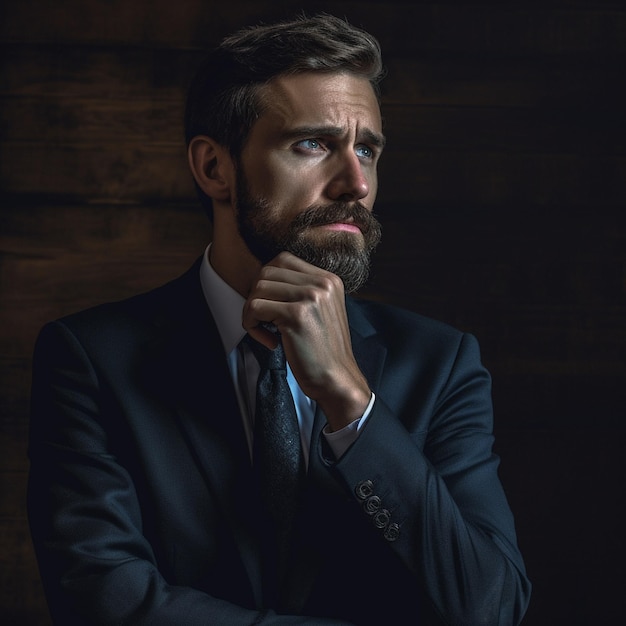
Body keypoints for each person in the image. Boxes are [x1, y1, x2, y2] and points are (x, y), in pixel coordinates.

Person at [27, 13, 531, 625]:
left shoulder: (442, 364)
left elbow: (491, 606)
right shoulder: (91, 359)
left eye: (367, 148)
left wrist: (352, 404)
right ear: (214, 168)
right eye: (312, 144)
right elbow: (104, 603)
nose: (356, 183)